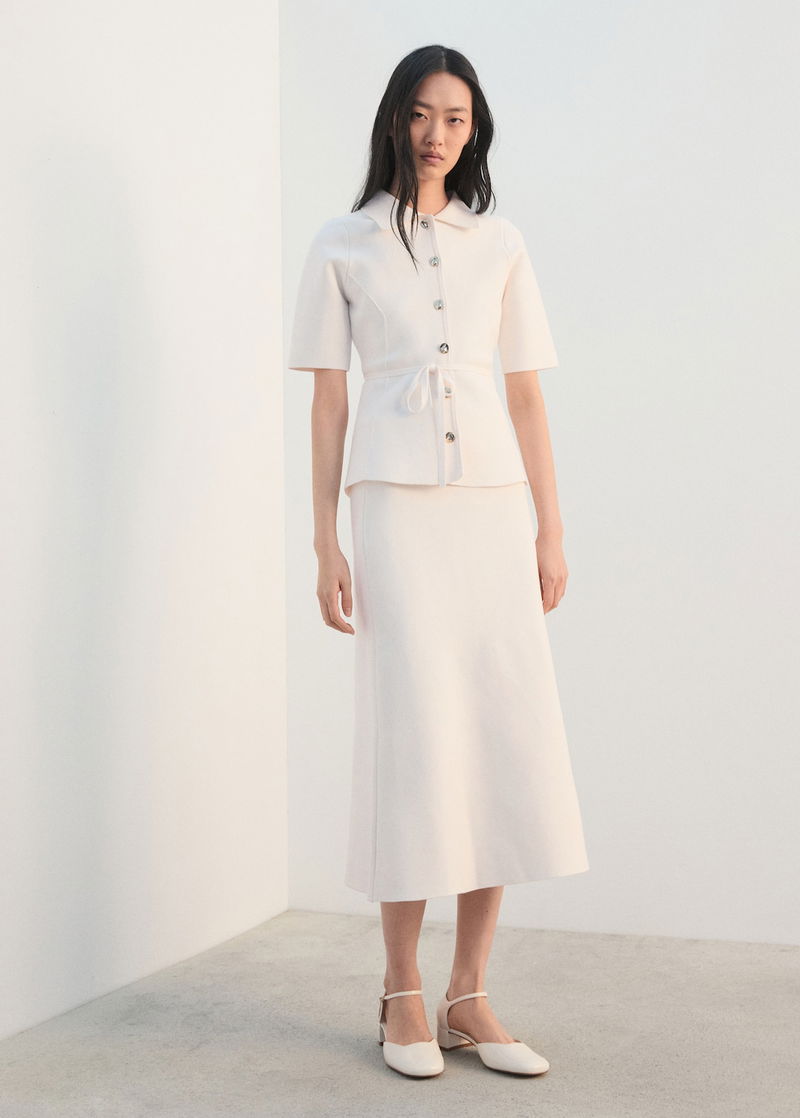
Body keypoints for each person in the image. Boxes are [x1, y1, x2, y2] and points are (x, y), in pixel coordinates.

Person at [288, 44, 590, 1079]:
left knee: (497, 732)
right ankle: (400, 990)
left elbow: (525, 394)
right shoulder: (342, 243)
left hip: (492, 509)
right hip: (393, 507)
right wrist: (323, 537)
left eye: (455, 118)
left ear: (474, 131)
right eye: (421, 113)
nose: (436, 134)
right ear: (394, 119)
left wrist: (550, 528)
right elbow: (328, 399)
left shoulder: (499, 242)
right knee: (415, 738)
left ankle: (468, 992)